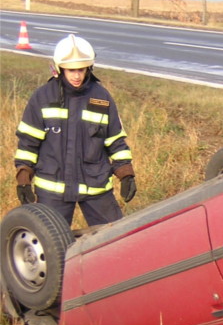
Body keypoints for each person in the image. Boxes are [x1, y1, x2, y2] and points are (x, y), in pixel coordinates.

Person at [14, 34, 137, 226]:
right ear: (58, 68)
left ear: (89, 68)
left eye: (81, 69)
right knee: (53, 246)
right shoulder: (42, 97)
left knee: (114, 240)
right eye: (71, 70)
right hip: (53, 190)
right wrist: (23, 176)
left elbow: (115, 140)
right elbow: (28, 142)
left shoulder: (101, 98)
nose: (77, 76)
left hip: (95, 186)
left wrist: (126, 173)